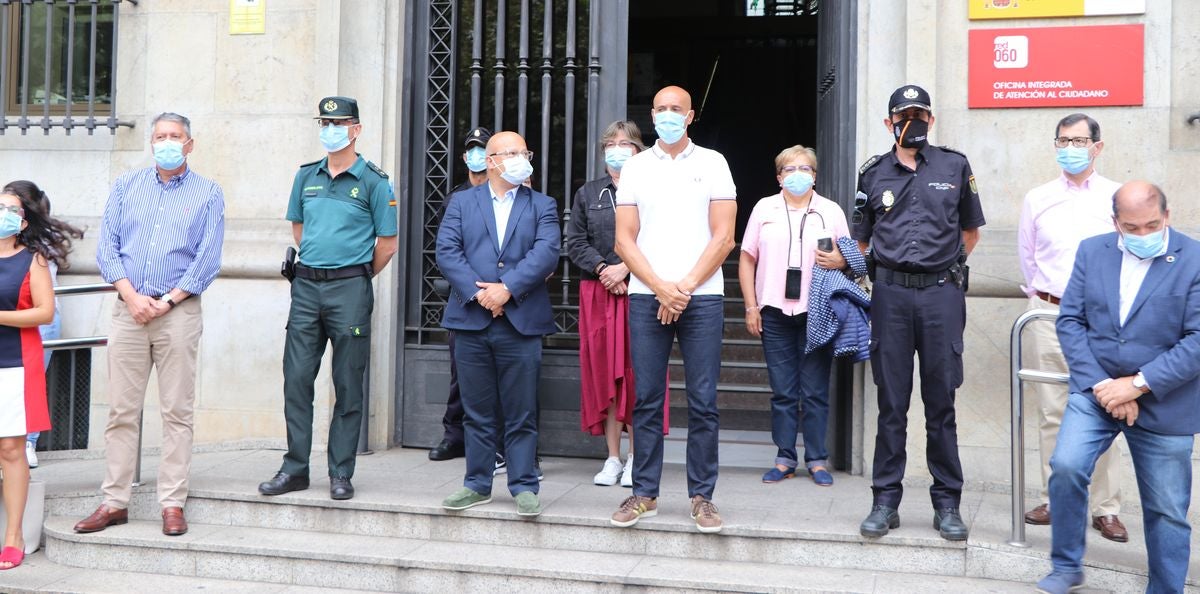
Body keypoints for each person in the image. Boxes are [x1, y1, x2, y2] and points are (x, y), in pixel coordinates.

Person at [1037, 182, 1200, 594]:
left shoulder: (1195, 259)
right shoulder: (1093, 252)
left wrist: (1139, 386)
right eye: (1132, 227)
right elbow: (1070, 322)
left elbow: (1197, 339)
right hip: (1098, 390)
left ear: (1167, 215)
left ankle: (1165, 589)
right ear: (1115, 223)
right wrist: (1104, 386)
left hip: (1166, 398)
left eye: (1151, 225)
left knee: (1167, 508)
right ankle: (1067, 565)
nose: (1143, 234)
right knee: (1067, 466)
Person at [76, 112, 225, 538]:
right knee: (121, 411)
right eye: (160, 136)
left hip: (177, 313)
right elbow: (108, 249)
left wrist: (167, 301)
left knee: (177, 411)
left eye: (175, 136)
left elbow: (207, 258)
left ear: (190, 144)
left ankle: (172, 502)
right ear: (151, 142)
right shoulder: (126, 187)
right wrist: (131, 295)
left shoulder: (208, 194)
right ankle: (114, 501)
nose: (166, 142)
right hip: (129, 310)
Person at [853, 85, 985, 541]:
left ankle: (947, 503)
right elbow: (863, 239)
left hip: (940, 297)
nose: (914, 122)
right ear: (889, 123)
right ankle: (884, 501)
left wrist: (941, 271)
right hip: (890, 297)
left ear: (932, 118)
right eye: (904, 116)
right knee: (891, 403)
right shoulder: (872, 174)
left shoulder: (955, 165)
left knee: (940, 402)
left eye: (921, 114)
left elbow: (970, 233)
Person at [610, 85, 737, 534]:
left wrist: (681, 287)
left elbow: (724, 237)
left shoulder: (714, 163)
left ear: (691, 116)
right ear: (652, 114)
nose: (667, 115)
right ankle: (644, 493)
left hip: (700, 297)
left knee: (703, 401)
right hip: (648, 297)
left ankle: (703, 497)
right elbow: (624, 239)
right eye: (660, 108)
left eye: (675, 109)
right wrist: (661, 288)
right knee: (646, 399)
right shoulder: (637, 167)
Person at [258, 96, 398, 502]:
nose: (330, 130)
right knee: (297, 379)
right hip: (305, 288)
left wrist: (354, 273)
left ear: (356, 129)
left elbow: (387, 244)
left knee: (348, 384)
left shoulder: (374, 181)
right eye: (324, 122)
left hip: (350, 289)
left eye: (338, 123)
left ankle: (341, 471)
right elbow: (299, 230)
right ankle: (295, 468)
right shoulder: (306, 176)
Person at [436, 130, 560, 517]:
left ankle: (524, 484)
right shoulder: (461, 202)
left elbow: (547, 253)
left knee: (521, 409)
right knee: (477, 410)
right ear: (491, 161)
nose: (521, 158)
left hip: (521, 320)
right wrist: (481, 295)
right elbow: (447, 251)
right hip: (471, 319)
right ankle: (476, 483)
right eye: (512, 152)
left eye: (525, 151)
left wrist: (506, 289)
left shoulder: (543, 204)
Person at [1017, 114, 1126, 542]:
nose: (1071, 147)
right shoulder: (1037, 197)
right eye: (1064, 140)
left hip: (1102, 322)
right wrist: (1043, 300)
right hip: (1048, 315)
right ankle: (1055, 498)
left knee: (1105, 410)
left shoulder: (1117, 196)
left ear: (1097, 146)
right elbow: (1029, 259)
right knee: (1052, 414)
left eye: (1079, 140)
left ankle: (1106, 508)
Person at [566, 120, 669, 488]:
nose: (617, 149)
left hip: (641, 289)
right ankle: (612, 457)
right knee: (605, 375)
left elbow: (661, 235)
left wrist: (625, 268)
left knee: (640, 375)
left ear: (638, 149)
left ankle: (636, 459)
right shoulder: (588, 193)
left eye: (625, 143)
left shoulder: (654, 188)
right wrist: (602, 268)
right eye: (611, 143)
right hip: (599, 294)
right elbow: (574, 240)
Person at [738, 145, 849, 487]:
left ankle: (816, 459)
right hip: (773, 310)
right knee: (783, 391)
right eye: (789, 169)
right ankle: (785, 457)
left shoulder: (829, 211)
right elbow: (747, 258)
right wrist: (751, 305)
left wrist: (841, 261)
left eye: (804, 169)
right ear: (778, 176)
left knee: (815, 390)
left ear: (814, 175)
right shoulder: (764, 208)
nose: (797, 174)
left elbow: (851, 257)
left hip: (817, 312)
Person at [3, 181, 82, 469]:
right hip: (12, 317)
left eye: (12, 208)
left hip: (34, 321)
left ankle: (28, 443)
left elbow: (43, 309)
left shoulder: (37, 246)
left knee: (28, 386)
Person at [0, 187, 57, 569]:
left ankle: (14, 536)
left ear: (22, 222)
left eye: (9, 208)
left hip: (14, 362)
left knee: (10, 449)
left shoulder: (32, 260)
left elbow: (45, 313)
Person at [428, 126, 493, 463]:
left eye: (483, 148)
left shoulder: (510, 194)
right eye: (472, 149)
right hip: (467, 298)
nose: (476, 155)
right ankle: (455, 436)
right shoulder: (455, 198)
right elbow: (447, 250)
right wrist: (472, 288)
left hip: (502, 297)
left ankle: (497, 443)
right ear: (464, 156)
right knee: (460, 373)